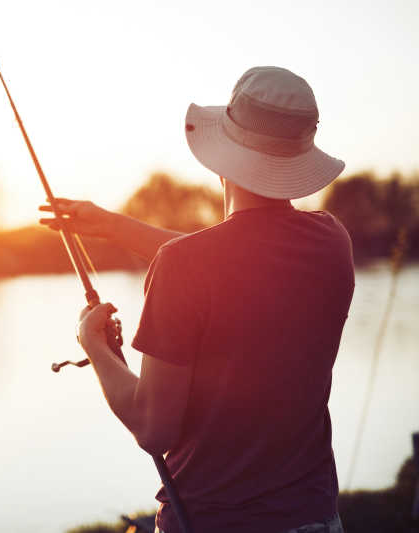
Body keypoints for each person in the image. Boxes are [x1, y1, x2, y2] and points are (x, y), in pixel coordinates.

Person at [40, 66, 354, 533]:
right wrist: (110, 225)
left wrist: (97, 350)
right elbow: (229, 261)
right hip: (317, 518)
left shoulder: (186, 265)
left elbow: (152, 429)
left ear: (221, 157)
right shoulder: (331, 241)